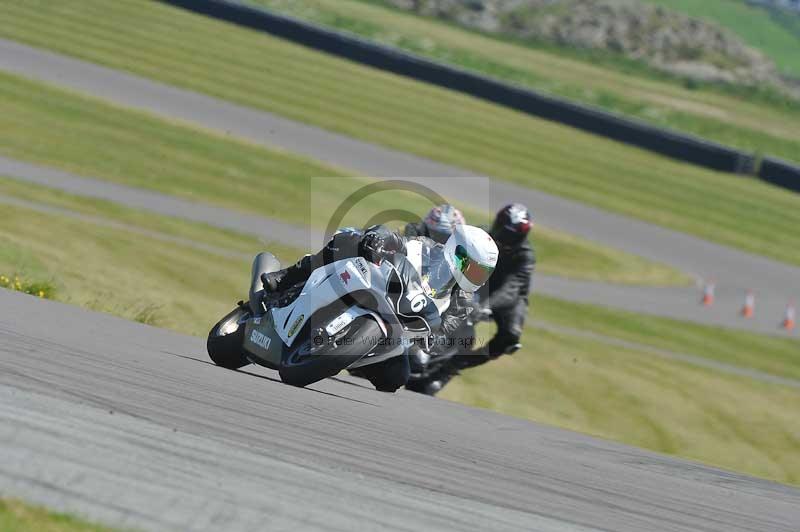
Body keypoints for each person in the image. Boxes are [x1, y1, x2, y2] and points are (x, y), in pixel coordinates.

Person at [261, 224, 498, 341]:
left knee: (394, 379)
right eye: (472, 268)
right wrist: (380, 238)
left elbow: (448, 329)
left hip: (397, 333)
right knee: (349, 239)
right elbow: (400, 241)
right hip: (381, 288)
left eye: (481, 273)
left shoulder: (462, 299)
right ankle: (288, 277)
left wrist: (433, 339)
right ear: (456, 253)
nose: (475, 276)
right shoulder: (427, 249)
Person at [408, 204, 535, 395]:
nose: (506, 236)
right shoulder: (483, 234)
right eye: (502, 228)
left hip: (507, 298)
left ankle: (448, 369)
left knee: (510, 337)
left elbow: (511, 287)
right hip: (480, 280)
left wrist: (484, 307)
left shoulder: (525, 256)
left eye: (513, 234)